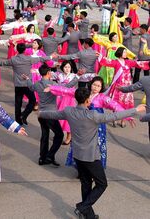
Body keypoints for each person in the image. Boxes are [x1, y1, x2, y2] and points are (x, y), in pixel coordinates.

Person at [39, 88, 146, 219]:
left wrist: (41, 113)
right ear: (87, 100)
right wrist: (135, 110)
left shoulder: (69, 111)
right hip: (90, 157)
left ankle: (88, 215)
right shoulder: (93, 115)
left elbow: (54, 114)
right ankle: (83, 207)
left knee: (86, 183)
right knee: (102, 184)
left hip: (77, 155)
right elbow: (114, 116)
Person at [0, 43, 51, 125]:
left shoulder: (13, 59)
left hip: (18, 85)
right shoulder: (29, 58)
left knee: (18, 103)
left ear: (17, 50)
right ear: (25, 50)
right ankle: (23, 115)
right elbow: (41, 59)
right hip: (27, 84)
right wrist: (51, 57)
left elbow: (2, 63)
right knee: (32, 101)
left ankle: (18, 120)